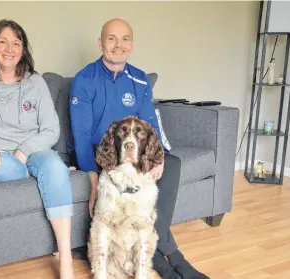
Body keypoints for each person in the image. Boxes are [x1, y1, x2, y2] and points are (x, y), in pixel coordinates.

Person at [69, 18, 209, 279]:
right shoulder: (84, 79)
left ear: (131, 45)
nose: (118, 45)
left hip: (132, 152)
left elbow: (151, 127)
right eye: (111, 38)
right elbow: (81, 134)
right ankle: (168, 257)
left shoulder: (140, 79)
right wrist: (92, 177)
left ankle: (161, 249)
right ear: (101, 43)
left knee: (173, 163)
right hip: (102, 154)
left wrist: (160, 159)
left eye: (125, 39)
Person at [0, 20, 74, 279]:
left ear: (23, 49)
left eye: (16, 43)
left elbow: (52, 130)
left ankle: (65, 259)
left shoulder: (36, 83)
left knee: (52, 164)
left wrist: (24, 151)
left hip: (34, 153)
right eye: (3, 41)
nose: (9, 49)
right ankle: (48, 177)